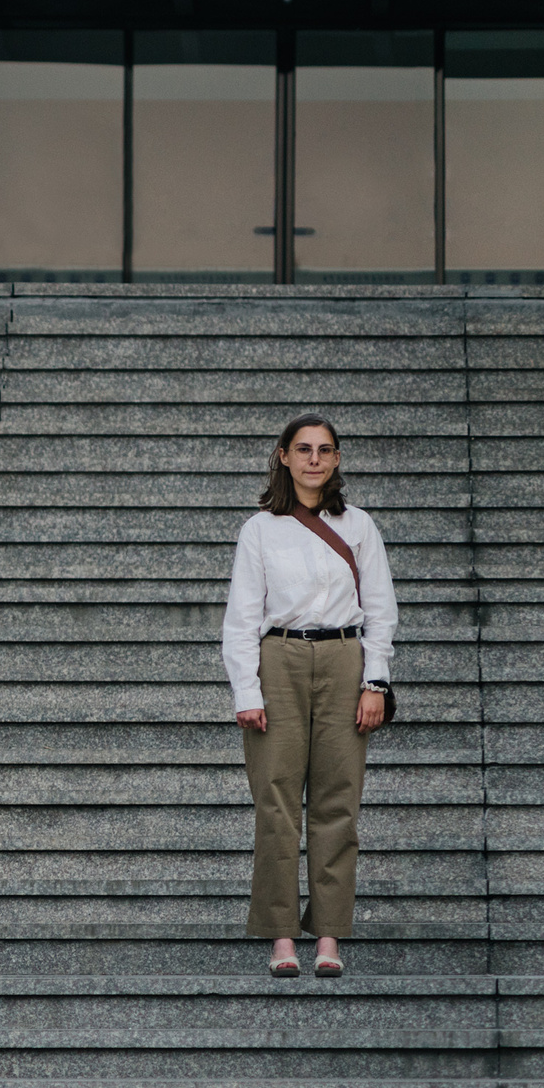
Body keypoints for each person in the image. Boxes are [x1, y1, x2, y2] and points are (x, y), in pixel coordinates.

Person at [221, 413, 396, 979]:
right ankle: (280, 936)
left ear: (337, 459)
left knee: (337, 802)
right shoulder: (260, 529)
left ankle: (328, 934)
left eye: (324, 450)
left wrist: (375, 682)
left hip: (345, 659)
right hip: (280, 659)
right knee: (275, 803)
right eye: (303, 449)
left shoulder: (360, 526)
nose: (314, 459)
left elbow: (380, 609)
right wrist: (247, 689)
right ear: (284, 456)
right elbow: (241, 617)